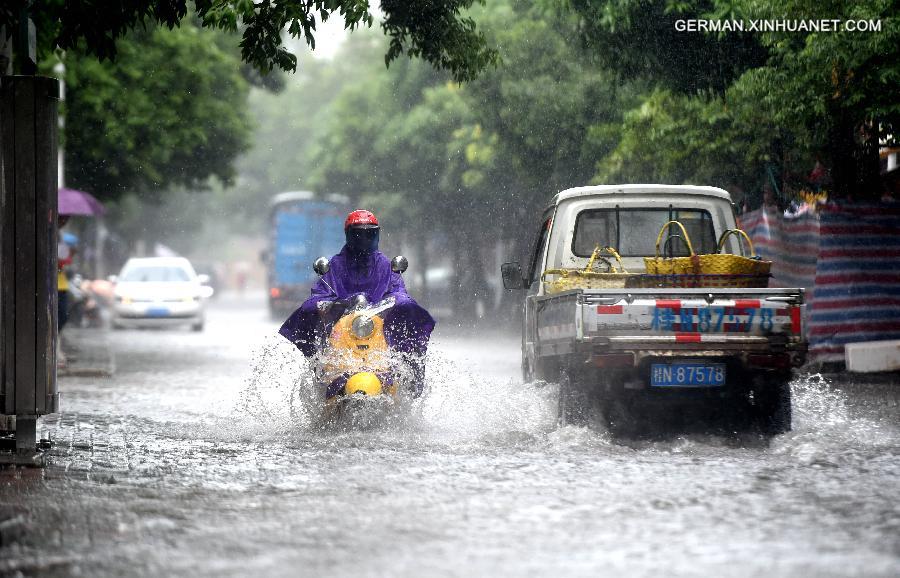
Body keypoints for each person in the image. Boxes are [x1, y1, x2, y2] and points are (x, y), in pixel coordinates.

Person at [279, 210, 435, 396]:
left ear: (376, 234)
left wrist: (397, 303)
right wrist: (330, 305)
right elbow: (319, 296)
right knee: (307, 311)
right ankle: (320, 370)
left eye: (369, 233)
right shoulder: (334, 266)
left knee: (409, 310)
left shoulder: (386, 265)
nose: (364, 238)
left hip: (377, 330)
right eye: (359, 233)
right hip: (342, 331)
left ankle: (409, 373)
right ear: (349, 235)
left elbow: (398, 293)